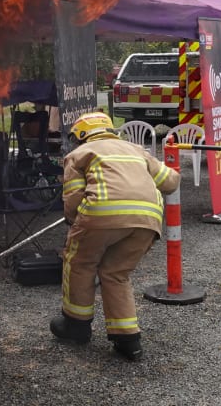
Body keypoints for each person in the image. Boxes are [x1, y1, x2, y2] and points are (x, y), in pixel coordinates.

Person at [49, 111, 181, 360]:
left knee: (80, 263)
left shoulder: (78, 154)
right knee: (116, 273)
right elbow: (171, 182)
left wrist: (75, 225)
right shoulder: (136, 150)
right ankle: (128, 340)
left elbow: (73, 200)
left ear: (81, 135)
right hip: (147, 219)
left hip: (100, 213)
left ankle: (76, 326)